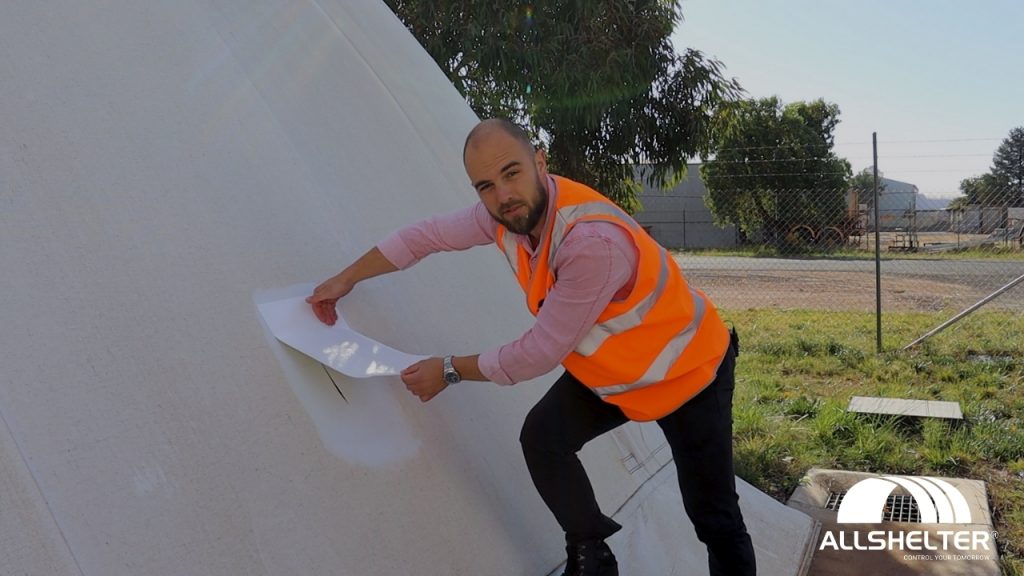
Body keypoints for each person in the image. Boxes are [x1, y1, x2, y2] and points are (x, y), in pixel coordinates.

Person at [306, 118, 755, 576]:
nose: (502, 195)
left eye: (512, 172)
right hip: (619, 373)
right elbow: (424, 237)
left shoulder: (590, 243)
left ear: (539, 162)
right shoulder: (507, 217)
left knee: (712, 515)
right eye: (485, 185)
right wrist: (346, 278)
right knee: (543, 440)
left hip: (688, 371)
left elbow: (536, 353)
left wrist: (448, 369)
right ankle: (592, 557)